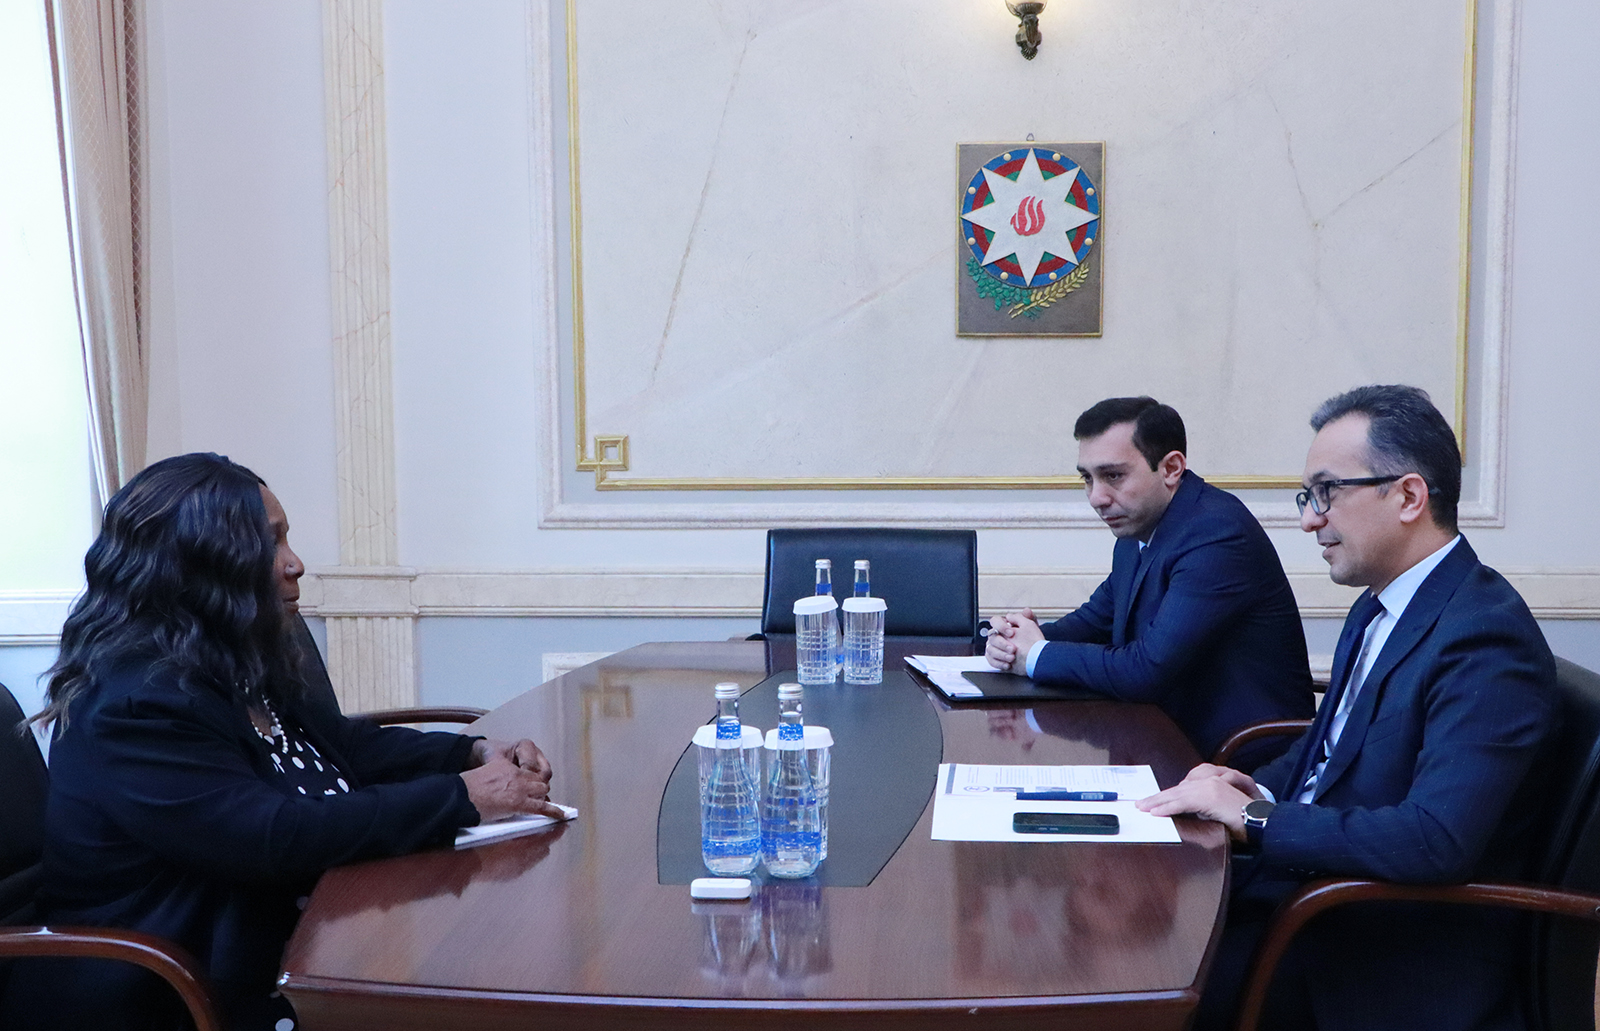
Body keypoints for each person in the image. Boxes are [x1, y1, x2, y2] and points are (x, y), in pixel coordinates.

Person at [2, 453, 562, 1031]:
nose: (295, 563)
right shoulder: (135, 703)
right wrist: (461, 797)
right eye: (270, 544)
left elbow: (341, 748)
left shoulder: (228, 658)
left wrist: (466, 753)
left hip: (281, 944)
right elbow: (269, 837)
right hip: (169, 991)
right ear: (201, 565)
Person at [1138, 385, 1558, 1031]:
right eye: (1308, 496)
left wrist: (1254, 818)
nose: (1310, 520)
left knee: (1133, 982)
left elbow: (1435, 841)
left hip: (1373, 946)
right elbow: (1329, 750)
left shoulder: (1485, 638)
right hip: (1309, 889)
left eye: (1328, 492)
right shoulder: (1379, 604)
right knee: (1121, 916)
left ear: (1409, 497)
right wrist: (1249, 786)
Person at [985, 397, 1314, 763]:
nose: (1096, 498)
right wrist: (1016, 640)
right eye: (1087, 478)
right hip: (1162, 741)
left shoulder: (1216, 535)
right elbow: (1095, 622)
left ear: (1171, 468)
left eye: (1113, 476)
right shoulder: (1138, 531)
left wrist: (1037, 654)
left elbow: (1146, 671)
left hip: (1237, 760)